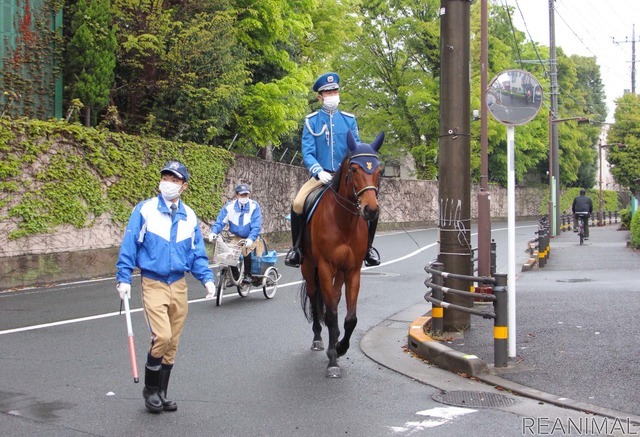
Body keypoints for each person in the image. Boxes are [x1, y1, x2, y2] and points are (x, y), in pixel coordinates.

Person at [116, 161, 216, 414]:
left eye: (174, 179)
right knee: (162, 336)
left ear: (184, 186)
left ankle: (162, 391)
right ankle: (150, 390)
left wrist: (206, 279)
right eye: (165, 177)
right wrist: (123, 278)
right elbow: (130, 245)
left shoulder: (189, 216)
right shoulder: (145, 210)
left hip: (178, 284)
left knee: (173, 343)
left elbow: (197, 254)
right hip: (153, 282)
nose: (168, 182)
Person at [284, 72, 380, 268]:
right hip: (322, 176)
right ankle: (297, 249)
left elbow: (356, 149)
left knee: (372, 206)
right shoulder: (312, 121)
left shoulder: (348, 120)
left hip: (346, 178)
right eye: (328, 93)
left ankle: (368, 248)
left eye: (335, 91)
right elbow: (308, 152)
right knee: (298, 203)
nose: (332, 95)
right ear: (320, 97)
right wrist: (318, 170)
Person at [208, 184, 264, 283]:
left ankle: (248, 275)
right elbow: (220, 222)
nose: (244, 197)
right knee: (229, 251)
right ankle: (235, 275)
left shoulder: (254, 206)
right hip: (237, 236)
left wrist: (251, 238)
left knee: (245, 249)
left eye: (246, 195)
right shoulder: (229, 207)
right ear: (237, 195)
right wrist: (213, 232)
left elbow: (256, 225)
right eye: (242, 195)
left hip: (251, 236)